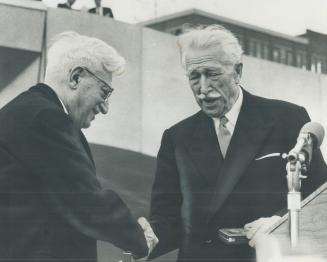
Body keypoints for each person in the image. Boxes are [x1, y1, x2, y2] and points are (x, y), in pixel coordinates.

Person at [148, 25, 327, 262]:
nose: (202, 88)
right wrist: (140, 238)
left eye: (212, 74)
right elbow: (166, 220)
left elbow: (320, 199)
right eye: (194, 76)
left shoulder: (288, 119)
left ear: (237, 71)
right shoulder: (176, 138)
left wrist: (280, 223)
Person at [0, 31, 157, 261]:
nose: (105, 108)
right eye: (105, 92)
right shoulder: (45, 118)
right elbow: (87, 201)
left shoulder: (25, 111)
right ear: (76, 77)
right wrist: (139, 239)